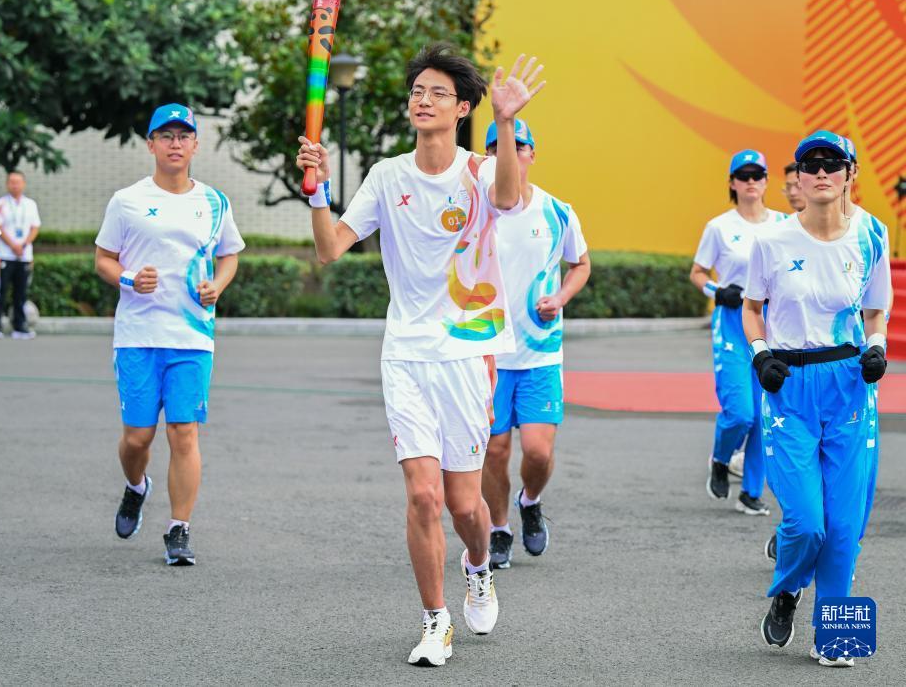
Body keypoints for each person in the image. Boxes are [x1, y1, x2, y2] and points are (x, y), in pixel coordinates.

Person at [296, 44, 544, 666]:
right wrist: (317, 192)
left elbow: (511, 198)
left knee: (466, 506)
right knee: (423, 496)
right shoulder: (386, 176)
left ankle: (478, 564)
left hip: (465, 355)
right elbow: (329, 249)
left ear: (461, 108)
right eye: (416, 91)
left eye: (437, 92)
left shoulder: (481, 172)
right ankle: (435, 622)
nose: (422, 99)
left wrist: (508, 124)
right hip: (405, 351)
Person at [746, 130, 891, 667]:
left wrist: (874, 348)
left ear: (851, 173)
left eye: (834, 163)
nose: (823, 171)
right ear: (799, 178)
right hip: (789, 388)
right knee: (807, 520)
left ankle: (837, 638)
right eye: (812, 163)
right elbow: (752, 308)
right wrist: (761, 354)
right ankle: (787, 589)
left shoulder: (873, 234)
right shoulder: (773, 242)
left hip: (850, 385)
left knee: (845, 521)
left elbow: (875, 312)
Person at [95, 103, 243, 567]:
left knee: (184, 432)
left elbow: (230, 256)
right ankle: (136, 486)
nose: (175, 143)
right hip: (138, 334)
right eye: (166, 135)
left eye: (184, 136)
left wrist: (217, 285)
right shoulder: (127, 200)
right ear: (151, 144)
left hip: (192, 336)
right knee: (138, 438)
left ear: (196, 144)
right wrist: (128, 279)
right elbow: (103, 258)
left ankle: (179, 528)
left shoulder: (215, 203)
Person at [479, 119, 590, 570]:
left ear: (531, 154)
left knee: (539, 452)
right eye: (497, 147)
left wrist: (561, 297)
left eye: (517, 145)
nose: (507, 153)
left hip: (540, 352)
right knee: (495, 450)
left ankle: (532, 500)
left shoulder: (557, 211)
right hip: (486, 353)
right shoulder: (477, 211)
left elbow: (580, 264)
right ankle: (500, 529)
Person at [690, 150, 785, 516]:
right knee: (741, 412)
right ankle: (720, 457)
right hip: (731, 322)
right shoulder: (719, 227)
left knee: (764, 413)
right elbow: (698, 271)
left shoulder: (783, 224)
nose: (750, 181)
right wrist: (716, 291)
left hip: (771, 325)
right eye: (742, 175)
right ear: (732, 182)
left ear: (765, 181)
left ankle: (750, 492)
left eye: (757, 175)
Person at [0, 170, 41, 339]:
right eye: (11, 182)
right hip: (5, 255)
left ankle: (20, 327)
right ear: (7, 184)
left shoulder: (31, 204)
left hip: (24, 256)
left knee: (21, 292)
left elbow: (35, 227)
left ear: (23, 184)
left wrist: (23, 245)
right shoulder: (0, 204)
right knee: (1, 291)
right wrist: (13, 245)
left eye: (18, 182)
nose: (15, 185)